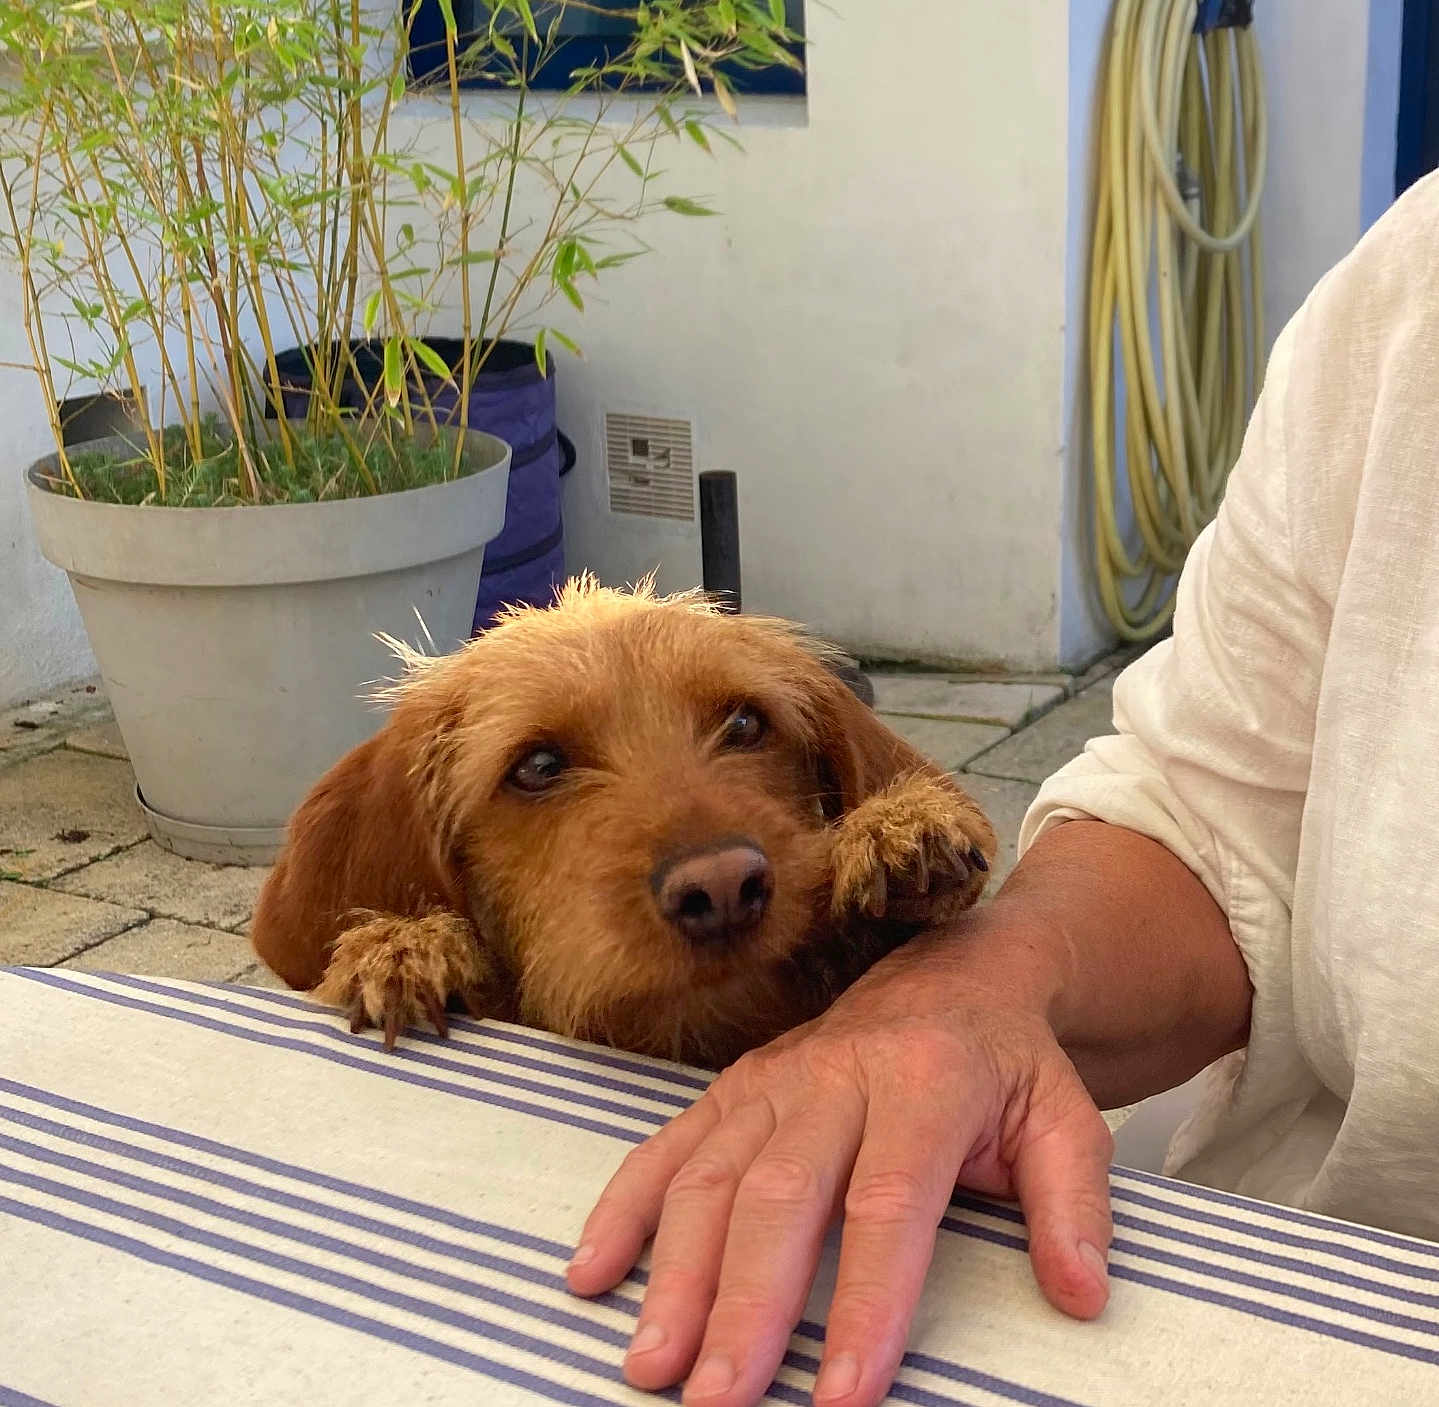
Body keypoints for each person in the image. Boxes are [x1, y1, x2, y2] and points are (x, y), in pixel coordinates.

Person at [565, 171, 1439, 1407]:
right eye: (549, 768)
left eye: (743, 729)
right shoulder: (1414, 279)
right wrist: (973, 982)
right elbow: (1219, 807)